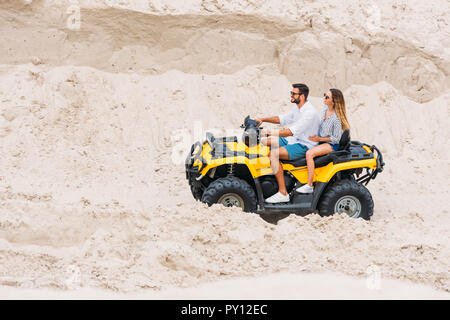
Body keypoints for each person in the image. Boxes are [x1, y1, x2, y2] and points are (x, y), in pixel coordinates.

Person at [256, 83, 320, 204]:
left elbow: (290, 132)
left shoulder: (309, 113)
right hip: (294, 139)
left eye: (293, 93)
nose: (291, 95)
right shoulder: (298, 108)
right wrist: (262, 119)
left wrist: (270, 132)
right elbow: (282, 119)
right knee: (264, 142)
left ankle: (282, 192)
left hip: (304, 145)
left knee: (273, 154)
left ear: (301, 96)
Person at [296, 88, 350, 194]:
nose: (324, 98)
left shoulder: (336, 118)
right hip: (321, 139)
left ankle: (309, 185)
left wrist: (319, 139)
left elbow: (336, 139)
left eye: (327, 97)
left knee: (309, 154)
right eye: (324, 95)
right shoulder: (326, 109)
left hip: (331, 144)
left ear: (334, 101)